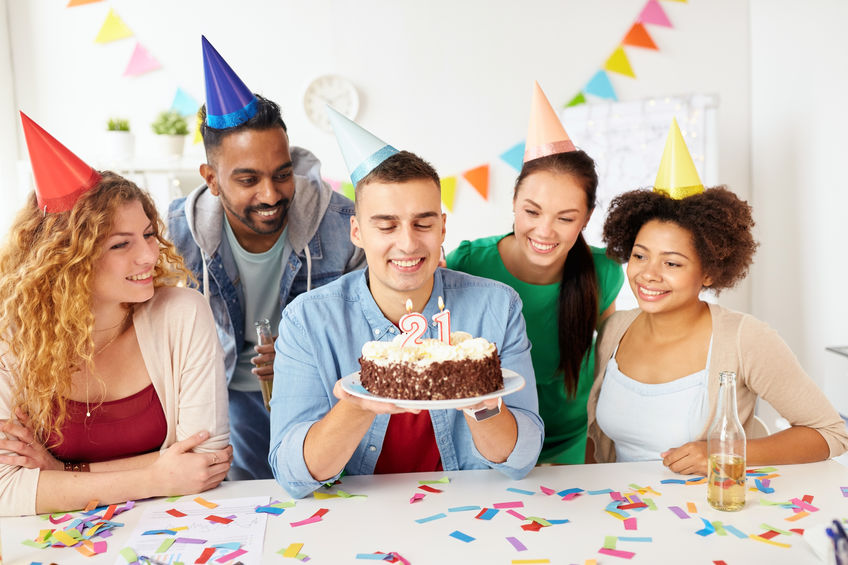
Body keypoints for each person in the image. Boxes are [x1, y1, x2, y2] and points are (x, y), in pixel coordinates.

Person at [269, 109, 543, 498]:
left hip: (468, 510)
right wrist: (359, 405)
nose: (408, 243)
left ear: (443, 227)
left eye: (423, 224)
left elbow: (521, 459)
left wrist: (480, 400)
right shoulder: (308, 320)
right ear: (357, 231)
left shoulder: (497, 307)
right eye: (386, 225)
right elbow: (293, 475)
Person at [0, 113, 230, 516]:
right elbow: (5, 489)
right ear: (67, 260)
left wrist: (62, 473)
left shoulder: (182, 314)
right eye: (121, 245)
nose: (149, 255)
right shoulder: (13, 338)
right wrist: (155, 477)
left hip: (176, 529)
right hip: (57, 541)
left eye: (148, 234)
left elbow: (204, 463)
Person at [586, 120, 848, 473]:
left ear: (709, 271)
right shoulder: (615, 330)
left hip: (712, 506)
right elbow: (598, 443)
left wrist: (724, 452)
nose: (648, 273)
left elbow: (831, 433)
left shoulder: (744, 339)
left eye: (672, 263)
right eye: (639, 255)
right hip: (624, 506)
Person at [168, 38, 364, 480]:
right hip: (226, 404)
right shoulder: (176, 235)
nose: (271, 195)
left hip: (326, 397)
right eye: (248, 180)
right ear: (211, 179)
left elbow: (375, 325)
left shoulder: (344, 225)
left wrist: (305, 355)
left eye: (282, 174)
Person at [447, 83, 623, 464]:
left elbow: (615, 365)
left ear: (586, 218)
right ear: (513, 203)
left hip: (573, 441)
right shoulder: (468, 263)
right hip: (491, 439)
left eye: (566, 218)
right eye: (532, 211)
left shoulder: (603, 272)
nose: (544, 231)